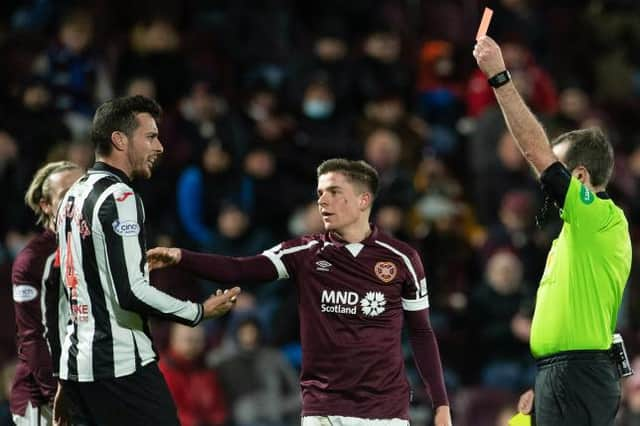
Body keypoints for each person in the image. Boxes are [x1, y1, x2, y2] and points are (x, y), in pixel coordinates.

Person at [148, 158, 452, 425]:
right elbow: (240, 268)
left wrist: (441, 403)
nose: (322, 201)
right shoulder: (305, 252)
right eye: (320, 193)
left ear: (363, 200)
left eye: (334, 192)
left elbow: (422, 333)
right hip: (323, 409)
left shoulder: (402, 259)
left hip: (383, 411)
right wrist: (181, 257)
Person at [473, 36, 632, 425]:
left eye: (555, 170)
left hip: (577, 377)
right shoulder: (576, 233)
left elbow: (534, 151)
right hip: (560, 375)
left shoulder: (601, 218)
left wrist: (499, 78)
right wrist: (545, 377)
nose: (541, 179)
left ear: (578, 176)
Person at [55, 95, 241, 426]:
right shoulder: (121, 196)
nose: (160, 147)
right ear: (119, 139)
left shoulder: (73, 194)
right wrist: (198, 312)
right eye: (151, 136)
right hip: (120, 366)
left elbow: (70, 289)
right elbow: (130, 292)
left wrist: (65, 374)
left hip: (77, 367)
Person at [10, 161, 83, 426]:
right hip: (43, 397)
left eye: (82, 190)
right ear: (46, 205)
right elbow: (33, 336)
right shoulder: (33, 260)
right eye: (67, 195)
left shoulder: (97, 247)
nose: (77, 200)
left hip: (88, 388)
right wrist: (56, 398)